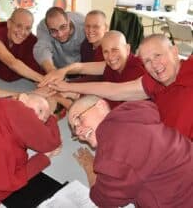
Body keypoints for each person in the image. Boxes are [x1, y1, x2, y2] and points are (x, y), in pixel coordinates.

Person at [48, 34, 193, 139]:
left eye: (158, 55)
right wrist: (67, 86)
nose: (154, 65)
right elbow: (115, 90)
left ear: (174, 52)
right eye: (147, 61)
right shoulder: (154, 79)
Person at [69, 95, 193, 208]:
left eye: (79, 119)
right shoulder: (133, 119)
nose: (79, 131)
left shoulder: (116, 149)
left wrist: (90, 168)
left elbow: (103, 201)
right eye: (75, 130)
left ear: (101, 106)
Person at [40, 31, 145, 109]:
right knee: (54, 90)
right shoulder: (112, 64)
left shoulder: (137, 69)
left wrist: (69, 89)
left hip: (130, 116)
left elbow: (112, 91)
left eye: (115, 50)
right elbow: (81, 67)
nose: (110, 57)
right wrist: (63, 71)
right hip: (106, 102)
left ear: (127, 49)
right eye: (106, 52)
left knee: (67, 93)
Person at [0, 8, 44, 82]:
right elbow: (12, 63)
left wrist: (47, 81)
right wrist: (43, 80)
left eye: (27, 28)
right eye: (19, 26)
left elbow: (38, 68)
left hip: (17, 81)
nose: (23, 32)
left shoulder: (31, 40)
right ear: (9, 23)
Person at [33, 6, 85, 73]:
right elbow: (42, 48)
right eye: (53, 31)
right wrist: (51, 71)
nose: (60, 34)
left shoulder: (82, 23)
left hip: (82, 70)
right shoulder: (43, 27)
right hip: (57, 69)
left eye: (63, 27)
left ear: (68, 21)